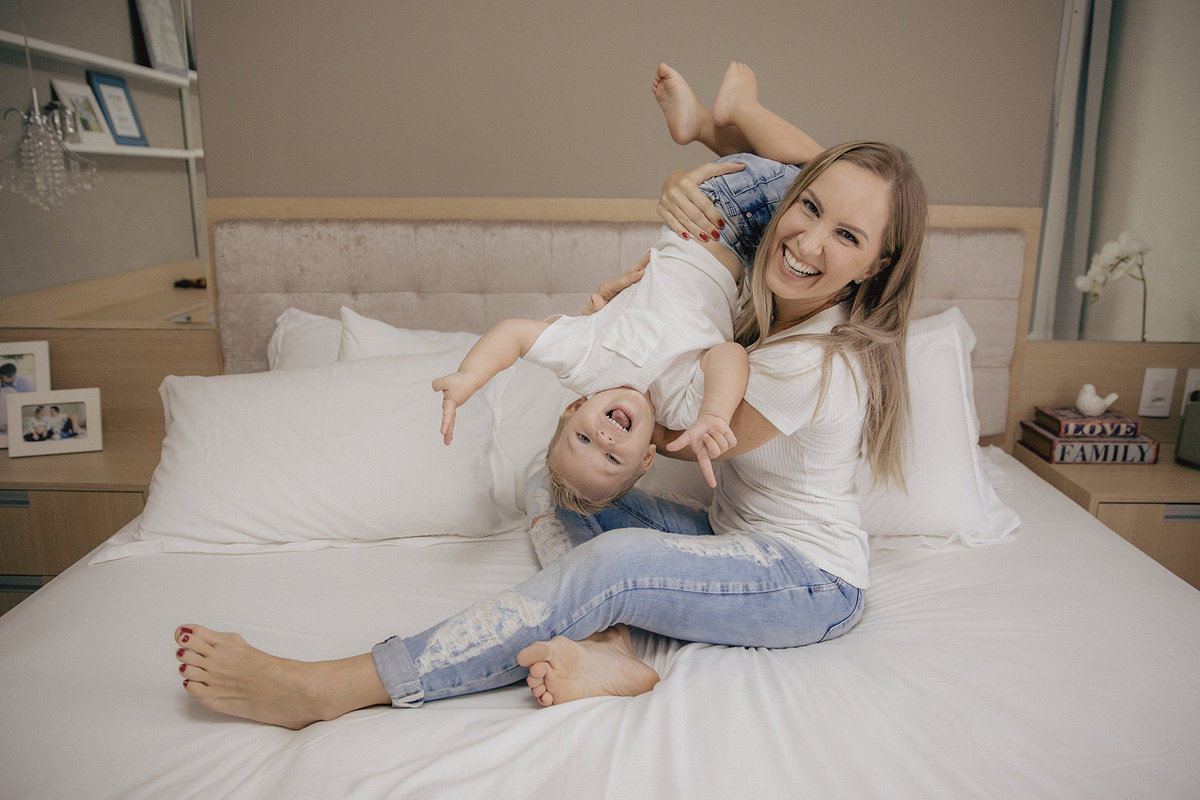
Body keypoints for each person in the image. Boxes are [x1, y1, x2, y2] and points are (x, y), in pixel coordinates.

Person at [172, 65, 927, 724]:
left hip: (808, 582)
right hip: (734, 537)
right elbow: (800, 176)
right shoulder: (769, 284)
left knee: (618, 558)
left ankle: (334, 687)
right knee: (555, 481)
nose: (811, 241)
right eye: (808, 209)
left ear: (875, 266)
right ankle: (609, 648)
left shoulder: (823, 362)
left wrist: (620, 349)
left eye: (849, 237)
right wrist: (679, 217)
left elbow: (661, 436)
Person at [431, 223, 749, 510]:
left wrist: (470, 375)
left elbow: (514, 335)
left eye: (583, 439)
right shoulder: (681, 410)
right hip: (746, 260)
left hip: (705, 220)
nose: (604, 439)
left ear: (575, 407)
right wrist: (714, 414)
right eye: (612, 458)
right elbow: (730, 354)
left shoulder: (583, 363)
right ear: (646, 457)